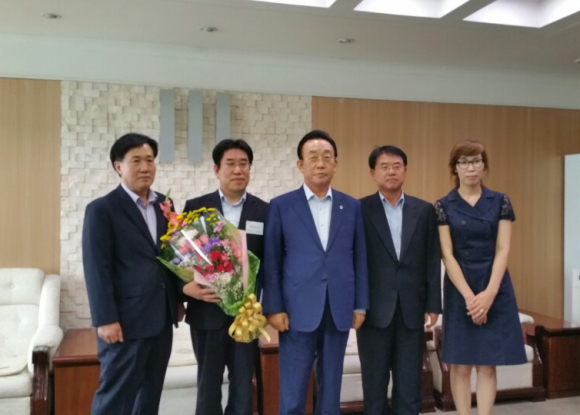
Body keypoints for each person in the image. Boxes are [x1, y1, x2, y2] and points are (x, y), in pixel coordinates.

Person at [262, 129, 369, 415]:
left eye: (326, 157)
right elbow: (272, 261)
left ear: (336, 163)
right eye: (313, 157)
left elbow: (359, 258)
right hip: (296, 310)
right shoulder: (281, 206)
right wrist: (273, 307)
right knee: (293, 390)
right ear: (301, 164)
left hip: (339, 308)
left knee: (331, 388)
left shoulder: (352, 206)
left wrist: (360, 304)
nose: (320, 164)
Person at [82, 133, 181, 414]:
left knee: (150, 396)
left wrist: (176, 301)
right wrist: (105, 319)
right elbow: (96, 268)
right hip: (124, 322)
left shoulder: (166, 206)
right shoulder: (102, 209)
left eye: (149, 160)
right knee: (115, 399)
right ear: (119, 167)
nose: (145, 167)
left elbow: (170, 258)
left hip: (161, 319)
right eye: (136, 161)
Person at [434, 140, 526, 415]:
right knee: (461, 364)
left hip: (494, 284)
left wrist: (489, 295)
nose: (470, 168)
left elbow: (503, 249)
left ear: (484, 165)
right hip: (459, 287)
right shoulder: (443, 205)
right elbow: (447, 255)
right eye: (463, 162)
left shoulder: (500, 201)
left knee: (487, 364)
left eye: (476, 161)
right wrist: (470, 298)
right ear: (455, 168)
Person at [182, 139, 268, 415]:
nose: (238, 170)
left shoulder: (264, 211)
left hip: (246, 314)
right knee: (208, 383)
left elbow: (270, 263)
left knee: (243, 382)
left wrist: (266, 304)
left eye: (244, 164)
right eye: (230, 164)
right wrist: (185, 288)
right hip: (207, 310)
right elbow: (181, 256)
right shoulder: (196, 207)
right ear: (217, 169)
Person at [357, 145, 441, 415]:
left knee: (409, 386)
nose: (391, 171)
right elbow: (354, 261)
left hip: (411, 310)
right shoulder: (359, 209)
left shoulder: (424, 210)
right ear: (372, 173)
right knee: (374, 386)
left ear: (405, 170)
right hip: (373, 311)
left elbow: (432, 259)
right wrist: (357, 304)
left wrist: (433, 304)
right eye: (384, 167)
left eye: (396, 166)